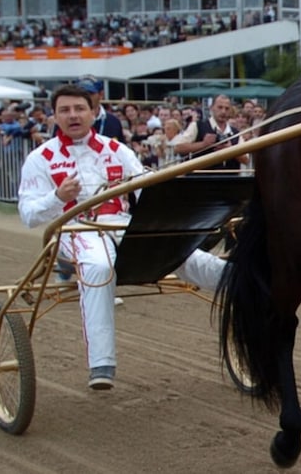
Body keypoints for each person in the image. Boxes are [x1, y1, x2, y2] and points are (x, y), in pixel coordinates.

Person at [17, 84, 228, 390]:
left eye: (79, 109)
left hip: (121, 224)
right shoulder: (40, 158)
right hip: (75, 229)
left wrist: (171, 205)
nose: (73, 115)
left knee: (181, 250)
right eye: (65, 110)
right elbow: (28, 214)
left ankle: (243, 284)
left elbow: (145, 188)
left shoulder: (116, 149)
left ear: (93, 112)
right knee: (99, 267)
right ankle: (101, 363)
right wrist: (57, 197)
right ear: (55, 116)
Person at [174, 94, 249, 172]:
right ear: (211, 108)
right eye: (220, 107)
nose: (223, 111)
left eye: (227, 108)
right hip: (201, 177)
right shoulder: (197, 126)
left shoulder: (236, 133)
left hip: (231, 178)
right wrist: (203, 144)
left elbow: (246, 160)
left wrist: (231, 150)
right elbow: (178, 148)